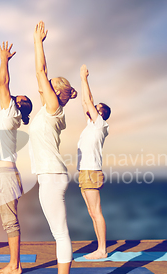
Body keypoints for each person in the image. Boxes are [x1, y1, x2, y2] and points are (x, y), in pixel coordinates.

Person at [29, 21, 77, 274]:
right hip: (49, 175)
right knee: (58, 232)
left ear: (56, 92)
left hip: (52, 175)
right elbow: (42, 78)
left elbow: (40, 71)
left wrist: (38, 42)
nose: (43, 87)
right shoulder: (51, 111)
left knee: (60, 233)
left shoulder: (54, 108)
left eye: (48, 87)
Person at [0, 41, 33, 274]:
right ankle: (14, 263)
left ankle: (15, 266)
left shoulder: (10, 110)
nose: (14, 94)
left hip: (5, 175)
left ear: (19, 104)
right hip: (4, 174)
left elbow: (3, 82)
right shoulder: (10, 114)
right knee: (9, 221)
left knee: (10, 222)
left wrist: (4, 59)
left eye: (19, 96)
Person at [77, 64, 111, 260]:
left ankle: (102, 250)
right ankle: (100, 248)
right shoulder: (91, 125)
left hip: (91, 171)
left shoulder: (100, 125)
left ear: (101, 114)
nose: (91, 109)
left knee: (96, 211)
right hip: (85, 171)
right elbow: (84, 102)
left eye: (96, 109)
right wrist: (82, 84)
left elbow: (88, 101)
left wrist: (84, 78)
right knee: (91, 211)